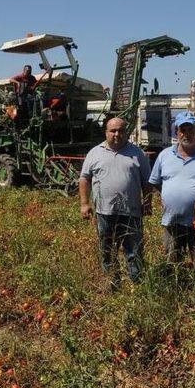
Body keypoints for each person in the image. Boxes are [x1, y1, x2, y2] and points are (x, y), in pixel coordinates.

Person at [79, 117, 152, 286]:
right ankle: (111, 282)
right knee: (107, 250)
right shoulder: (95, 153)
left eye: (121, 130)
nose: (117, 134)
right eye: (113, 131)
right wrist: (84, 204)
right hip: (104, 213)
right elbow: (84, 179)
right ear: (106, 132)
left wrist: (147, 203)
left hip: (131, 212)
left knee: (134, 251)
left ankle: (137, 283)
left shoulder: (138, 153)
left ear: (127, 132)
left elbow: (147, 182)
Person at [149, 111, 195, 277]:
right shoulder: (164, 156)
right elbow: (156, 182)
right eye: (182, 130)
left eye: (190, 129)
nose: (187, 134)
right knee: (172, 265)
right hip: (172, 221)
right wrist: (174, 198)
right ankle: (175, 296)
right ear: (176, 132)